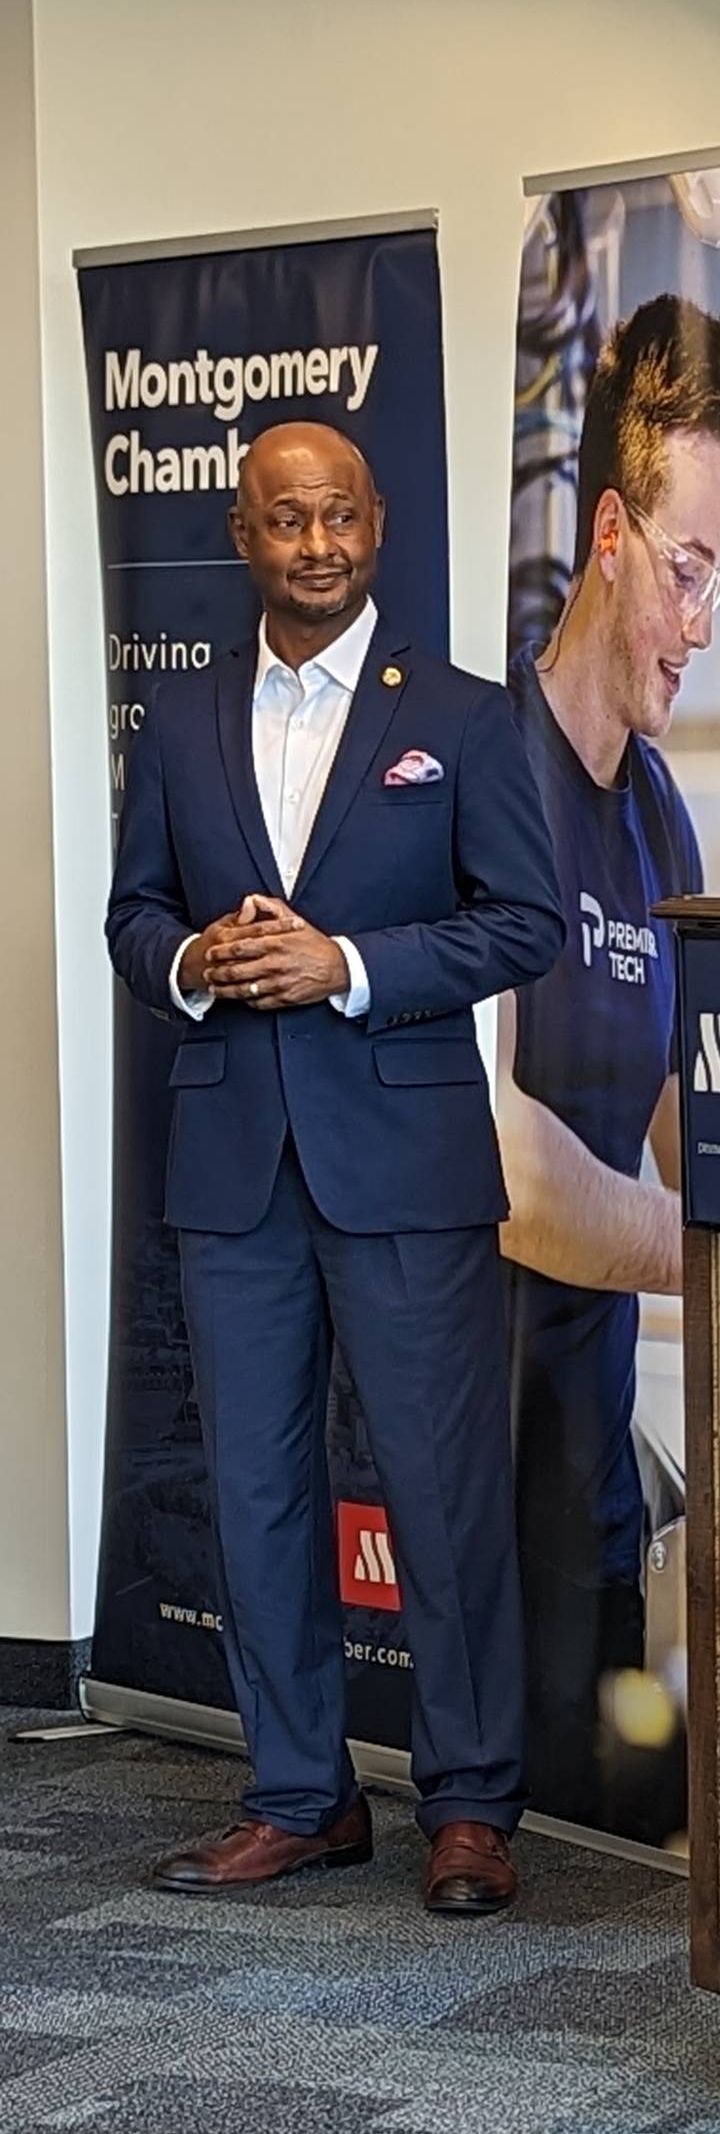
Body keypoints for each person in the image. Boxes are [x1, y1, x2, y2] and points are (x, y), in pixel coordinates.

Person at [105, 421, 565, 1914]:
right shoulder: (178, 724)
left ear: (381, 527)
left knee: (439, 1491)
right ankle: (302, 1795)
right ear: (242, 537)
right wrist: (193, 956)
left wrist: (348, 962)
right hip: (234, 1162)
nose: (317, 543)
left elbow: (526, 922)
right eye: (286, 520)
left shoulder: (467, 717)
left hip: (407, 1163)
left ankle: (472, 1802)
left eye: (341, 517)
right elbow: (132, 913)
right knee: (256, 1491)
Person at [497, 294, 720, 1830]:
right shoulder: (476, 784)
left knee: (605, 1882)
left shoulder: (661, 817)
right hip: (467, 1490)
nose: (704, 624)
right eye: (687, 570)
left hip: (593, 1490)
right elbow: (514, 1182)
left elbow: (688, 1115)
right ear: (607, 532)